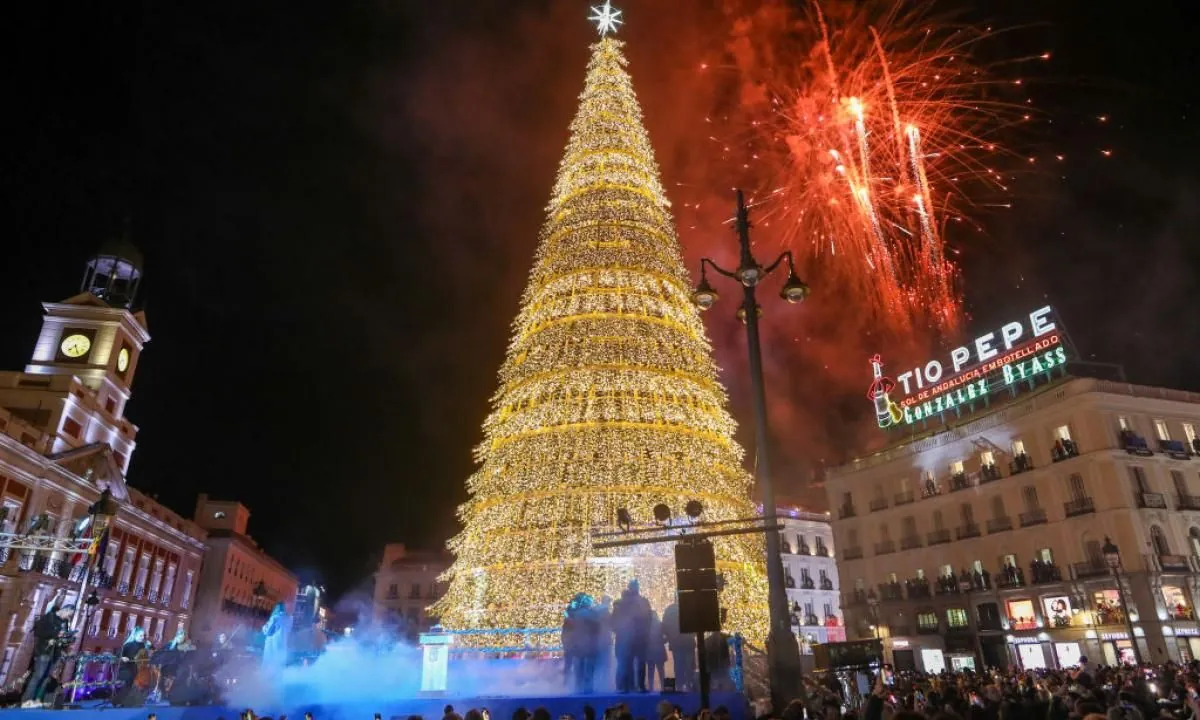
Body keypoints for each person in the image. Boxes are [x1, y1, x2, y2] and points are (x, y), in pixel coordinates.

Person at [20, 597, 75, 708]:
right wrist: (56, 634)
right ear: (65, 610)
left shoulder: (62, 622)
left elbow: (60, 635)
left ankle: (37, 699)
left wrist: (67, 637)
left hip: (55, 652)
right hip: (44, 651)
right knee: (37, 676)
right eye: (69, 614)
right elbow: (39, 631)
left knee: (46, 678)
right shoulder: (48, 618)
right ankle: (26, 700)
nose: (69, 617)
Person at [661, 600, 694, 692]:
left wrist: (668, 637)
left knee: (679, 665)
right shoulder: (690, 608)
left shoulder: (670, 609)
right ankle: (689, 685)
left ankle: (680, 685)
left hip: (676, 642)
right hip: (688, 642)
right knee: (689, 665)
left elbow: (664, 626)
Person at [114, 626, 149, 707]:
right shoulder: (128, 645)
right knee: (130, 680)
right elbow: (118, 654)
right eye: (140, 636)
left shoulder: (143, 645)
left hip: (138, 668)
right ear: (135, 635)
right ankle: (117, 701)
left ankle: (132, 701)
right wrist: (122, 657)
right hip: (127, 668)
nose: (142, 637)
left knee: (140, 681)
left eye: (143, 635)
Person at [261, 602, 292, 673]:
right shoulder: (290, 619)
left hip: (272, 647)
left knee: (268, 671)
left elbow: (267, 631)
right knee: (279, 670)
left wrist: (264, 627)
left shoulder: (275, 618)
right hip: (282, 648)